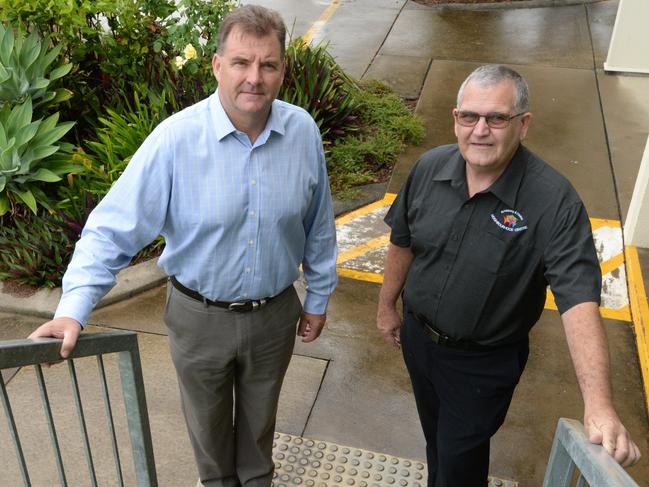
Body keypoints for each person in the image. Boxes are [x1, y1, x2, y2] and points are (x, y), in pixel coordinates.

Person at [28, 5, 338, 487]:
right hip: (199, 319)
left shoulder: (302, 132)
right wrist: (73, 309)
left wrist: (317, 297)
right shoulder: (174, 141)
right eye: (241, 62)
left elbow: (319, 225)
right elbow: (111, 230)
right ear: (217, 66)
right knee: (210, 444)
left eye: (268, 64)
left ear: (282, 71)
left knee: (259, 439)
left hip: (275, 314)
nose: (254, 78)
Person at [376, 64, 640, 487]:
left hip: (482, 365)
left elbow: (578, 301)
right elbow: (402, 242)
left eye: (496, 118)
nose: (480, 130)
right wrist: (387, 306)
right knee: (437, 442)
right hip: (419, 341)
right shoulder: (429, 169)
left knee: (460, 461)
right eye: (469, 117)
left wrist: (599, 405)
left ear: (523, 124)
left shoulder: (553, 202)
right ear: (456, 119)